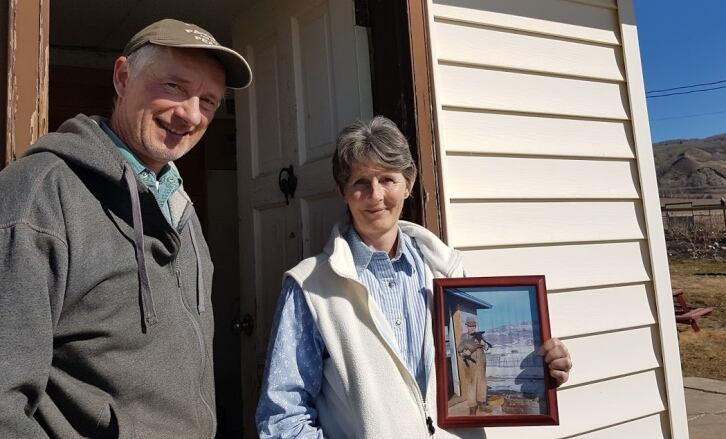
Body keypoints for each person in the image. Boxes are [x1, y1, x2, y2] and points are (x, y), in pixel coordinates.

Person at [0, 19, 251, 437]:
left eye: (208, 100)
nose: (190, 114)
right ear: (122, 77)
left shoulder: (179, 207)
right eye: (174, 86)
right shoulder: (38, 195)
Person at [255, 116, 572, 438]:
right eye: (360, 182)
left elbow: (481, 376)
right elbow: (282, 417)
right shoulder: (310, 286)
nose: (376, 195)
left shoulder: (447, 272)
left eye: (388, 179)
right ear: (343, 192)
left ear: (409, 183)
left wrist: (537, 370)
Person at [457, 316, 490, 415]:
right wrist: (464, 354)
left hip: (481, 362)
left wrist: (484, 344)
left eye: (474, 326)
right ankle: (472, 407)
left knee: (482, 382)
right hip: (470, 363)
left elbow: (487, 348)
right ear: (467, 326)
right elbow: (459, 351)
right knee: (471, 384)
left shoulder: (480, 335)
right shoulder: (463, 337)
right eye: (470, 326)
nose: (472, 328)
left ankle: (482, 403)